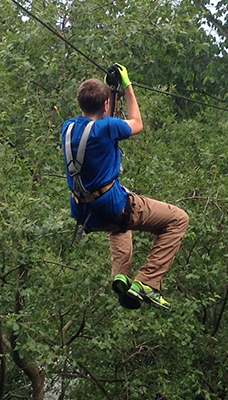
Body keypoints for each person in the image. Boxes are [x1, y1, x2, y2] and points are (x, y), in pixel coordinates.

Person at [61, 64, 189, 310]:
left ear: (79, 105)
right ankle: (148, 282)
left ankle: (122, 276)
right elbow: (137, 123)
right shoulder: (107, 128)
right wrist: (127, 86)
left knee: (120, 227)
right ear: (106, 106)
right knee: (178, 219)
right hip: (112, 205)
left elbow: (96, 126)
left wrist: (110, 91)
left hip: (86, 214)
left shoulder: (67, 128)